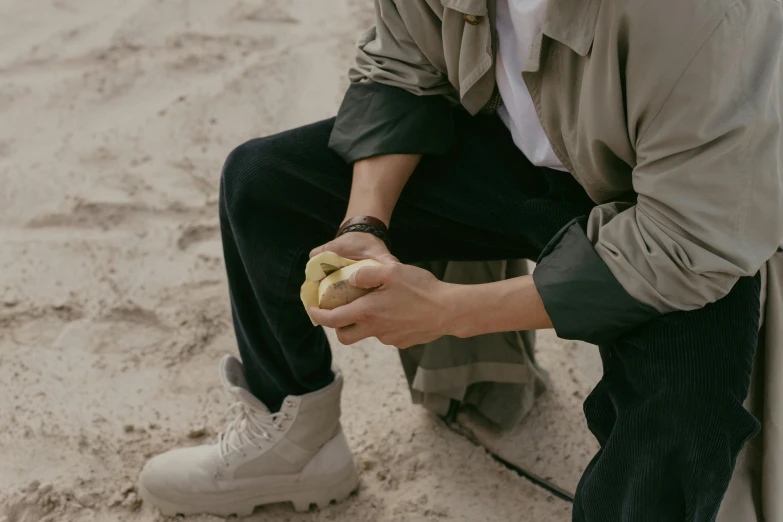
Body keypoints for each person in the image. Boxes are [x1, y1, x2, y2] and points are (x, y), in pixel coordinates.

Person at [137, 0, 783, 520]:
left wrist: (449, 311)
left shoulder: (703, 15)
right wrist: (363, 226)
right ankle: (297, 441)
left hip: (673, 208)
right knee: (264, 182)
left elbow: (688, 241)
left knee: (681, 412)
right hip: (523, 155)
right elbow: (400, 65)